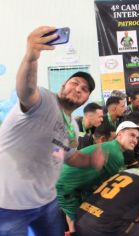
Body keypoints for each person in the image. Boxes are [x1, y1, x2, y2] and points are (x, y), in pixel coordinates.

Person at [0, 26, 106, 236]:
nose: (78, 89)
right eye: (75, 83)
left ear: (86, 99)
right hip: (9, 205)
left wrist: (91, 160)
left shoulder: (72, 127)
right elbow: (26, 90)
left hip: (47, 203)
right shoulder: (43, 100)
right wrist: (31, 57)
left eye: (85, 89)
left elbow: (66, 156)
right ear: (62, 86)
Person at [57, 121, 139, 234]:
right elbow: (114, 189)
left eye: (137, 137)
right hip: (67, 188)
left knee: (77, 217)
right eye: (132, 135)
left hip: (72, 185)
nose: (135, 140)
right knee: (80, 222)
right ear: (120, 134)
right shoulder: (115, 154)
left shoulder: (113, 149)